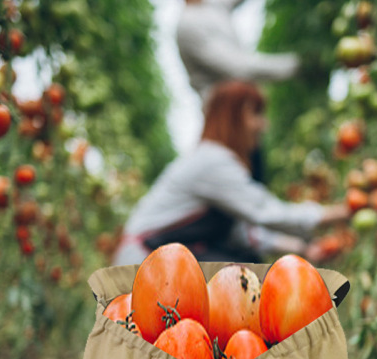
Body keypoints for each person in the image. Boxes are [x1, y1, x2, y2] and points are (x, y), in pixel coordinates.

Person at [112, 81, 349, 266]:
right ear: (234, 117)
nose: (263, 125)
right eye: (256, 114)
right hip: (143, 263)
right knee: (241, 275)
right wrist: (340, 212)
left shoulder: (211, 160)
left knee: (245, 266)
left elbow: (242, 234)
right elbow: (266, 212)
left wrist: (302, 248)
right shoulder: (212, 161)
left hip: (156, 258)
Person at [176, 0, 301, 183]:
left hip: (242, 119)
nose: (265, 125)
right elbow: (238, 68)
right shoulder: (189, 25)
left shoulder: (212, 7)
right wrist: (296, 66)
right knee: (234, 181)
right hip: (224, 122)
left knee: (247, 179)